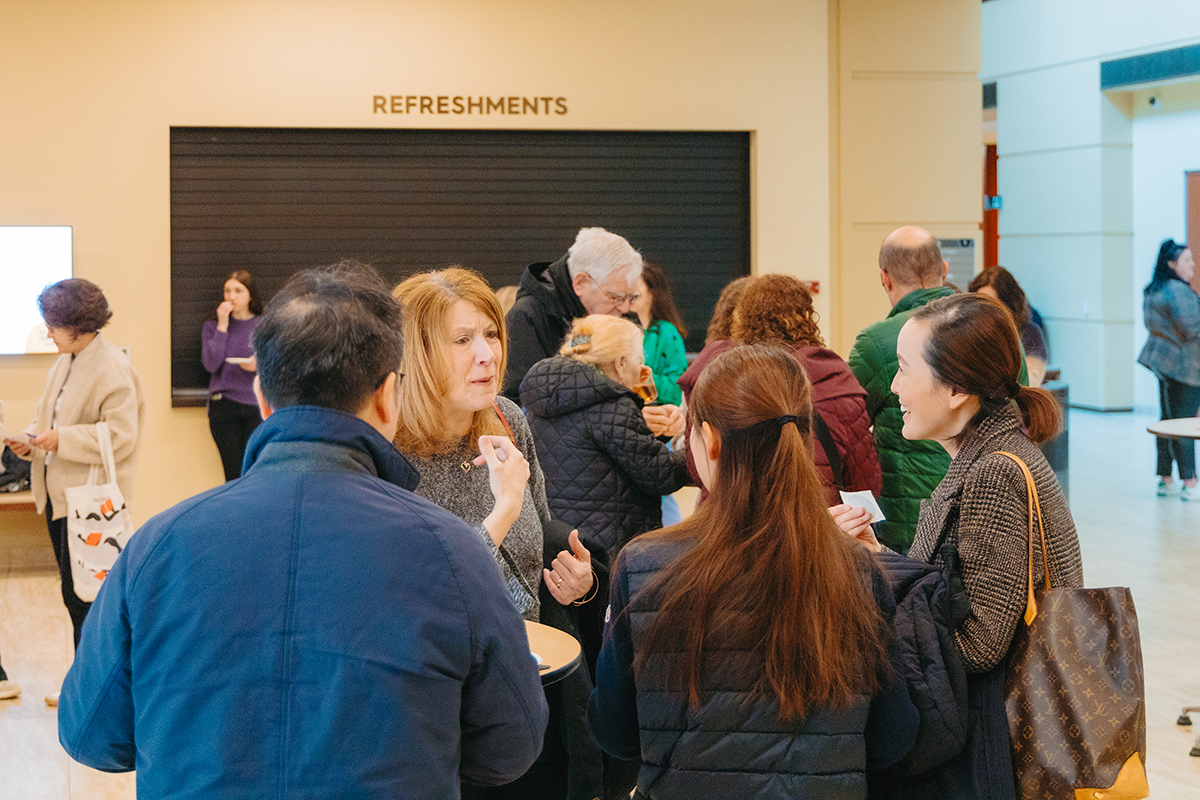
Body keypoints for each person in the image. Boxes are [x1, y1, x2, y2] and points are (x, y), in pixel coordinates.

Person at [57, 262, 548, 798]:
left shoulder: (157, 547)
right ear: (388, 396)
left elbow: (90, 736)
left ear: (262, 399)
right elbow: (511, 745)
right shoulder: (455, 551)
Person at [587, 344, 917, 796]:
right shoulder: (858, 569)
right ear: (802, 437)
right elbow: (893, 736)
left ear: (711, 439)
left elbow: (615, 733)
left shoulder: (645, 566)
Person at [841, 293, 1083, 798]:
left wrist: (876, 581)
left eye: (905, 370)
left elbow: (978, 644)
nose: (893, 387)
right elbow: (951, 592)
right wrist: (879, 558)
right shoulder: (985, 454)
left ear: (955, 388)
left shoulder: (993, 471)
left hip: (993, 749)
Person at [391, 267, 607, 799]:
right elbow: (420, 597)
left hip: (528, 688)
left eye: (491, 334)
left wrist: (579, 582)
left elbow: (535, 550)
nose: (486, 353)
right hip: (441, 712)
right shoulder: (390, 453)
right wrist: (504, 507)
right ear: (417, 354)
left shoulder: (507, 418)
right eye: (462, 340)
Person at [4, 279, 145, 652]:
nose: (47, 333)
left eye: (52, 325)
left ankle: (92, 692)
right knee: (73, 596)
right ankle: (83, 684)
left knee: (90, 601)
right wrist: (30, 441)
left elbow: (121, 435)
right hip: (62, 498)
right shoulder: (67, 360)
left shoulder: (112, 367)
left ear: (75, 325)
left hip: (89, 502)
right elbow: (49, 419)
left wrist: (60, 440)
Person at [521, 315, 690, 566]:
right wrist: (697, 450)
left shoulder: (541, 400)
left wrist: (653, 431)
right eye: (639, 361)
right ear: (621, 364)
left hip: (562, 549)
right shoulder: (613, 405)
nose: (643, 369)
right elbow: (660, 473)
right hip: (609, 549)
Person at [504, 228, 682, 440]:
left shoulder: (618, 313)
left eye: (631, 297)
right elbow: (521, 409)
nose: (625, 308)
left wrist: (660, 421)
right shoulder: (528, 317)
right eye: (615, 296)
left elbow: (638, 392)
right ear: (581, 283)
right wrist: (629, 421)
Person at [847, 226, 956, 552]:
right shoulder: (991, 326)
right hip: (987, 510)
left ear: (885, 277)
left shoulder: (877, 342)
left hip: (908, 526)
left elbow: (845, 425)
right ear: (944, 270)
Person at [731, 274, 881, 505]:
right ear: (807, 316)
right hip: (827, 528)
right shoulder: (838, 380)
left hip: (761, 529)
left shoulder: (738, 384)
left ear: (745, 319)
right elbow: (865, 484)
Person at [1137, 238, 1200, 500]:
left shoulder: (1154, 289)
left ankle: (1166, 478)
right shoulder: (1178, 291)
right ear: (1172, 264)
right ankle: (1190, 482)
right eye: (1187, 260)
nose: (1193, 264)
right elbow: (1192, 329)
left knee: (1167, 422)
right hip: (1185, 368)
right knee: (1184, 424)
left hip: (1164, 366)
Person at [200, 269, 264, 481]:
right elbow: (211, 365)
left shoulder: (263, 326)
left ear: (250, 295)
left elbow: (279, 365)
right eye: (227, 291)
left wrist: (259, 365)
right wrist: (223, 325)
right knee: (233, 473)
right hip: (224, 404)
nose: (231, 296)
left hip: (255, 405)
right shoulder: (212, 326)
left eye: (238, 290)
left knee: (254, 471)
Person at [968, 266, 1048, 387]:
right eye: (980, 304)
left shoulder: (1030, 333)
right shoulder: (970, 332)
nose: (984, 311)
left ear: (1009, 305)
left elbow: (1030, 382)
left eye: (992, 305)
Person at [630, 262, 688, 407]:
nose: (630, 293)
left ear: (652, 293)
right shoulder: (619, 329)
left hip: (658, 411)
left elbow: (678, 388)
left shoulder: (667, 333)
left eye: (635, 288)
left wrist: (640, 377)